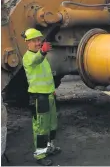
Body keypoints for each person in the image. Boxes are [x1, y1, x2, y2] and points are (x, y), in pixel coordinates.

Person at [22, 28, 61, 166]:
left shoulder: (42, 57)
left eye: (39, 40)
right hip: (39, 98)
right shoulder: (29, 58)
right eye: (34, 41)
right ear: (27, 43)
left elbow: (47, 76)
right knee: (41, 127)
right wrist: (43, 51)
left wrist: (52, 90)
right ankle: (40, 154)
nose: (38, 43)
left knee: (52, 124)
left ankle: (50, 147)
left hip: (49, 95)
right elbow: (36, 59)